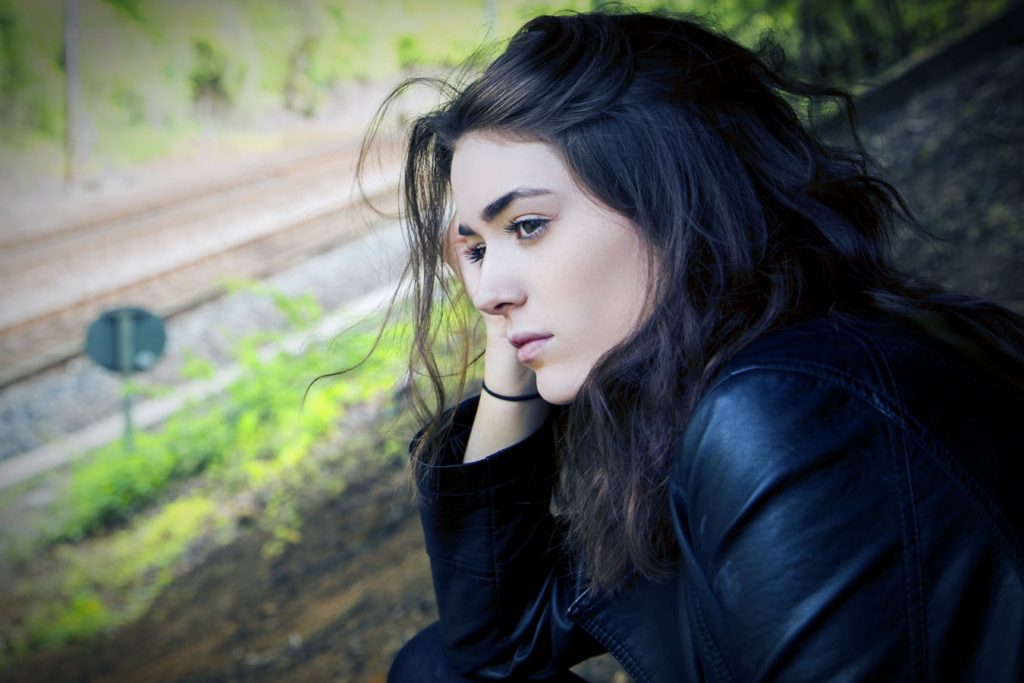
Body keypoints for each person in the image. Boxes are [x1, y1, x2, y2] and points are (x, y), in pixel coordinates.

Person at [369, 9, 1024, 682]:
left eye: (528, 225)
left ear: (672, 200)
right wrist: (511, 350)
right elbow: (496, 639)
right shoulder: (710, 383)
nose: (486, 291)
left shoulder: (788, 411)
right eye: (474, 248)